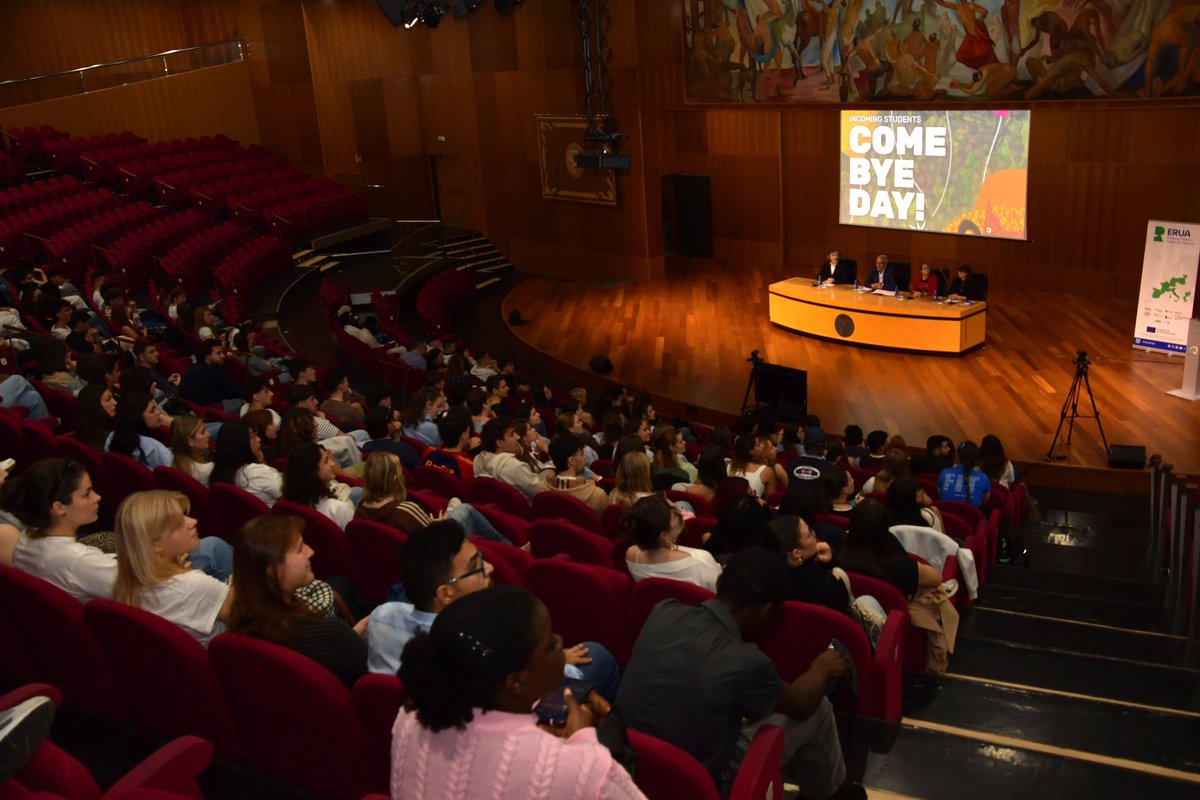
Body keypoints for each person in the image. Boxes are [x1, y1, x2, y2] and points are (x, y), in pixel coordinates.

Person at [616, 547, 854, 798]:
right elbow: (802, 704)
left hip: (632, 771)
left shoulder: (662, 610)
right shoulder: (747, 661)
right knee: (819, 708)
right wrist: (821, 667)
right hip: (704, 788)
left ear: (719, 582)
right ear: (766, 610)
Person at [391, 585, 644, 799]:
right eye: (549, 642)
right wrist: (584, 741)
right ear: (515, 683)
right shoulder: (581, 766)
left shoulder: (410, 716)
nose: (559, 641)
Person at [228, 514, 368, 687]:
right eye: (300, 548)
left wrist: (349, 639)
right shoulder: (329, 633)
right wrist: (347, 640)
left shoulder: (238, 624)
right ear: (274, 570)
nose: (311, 551)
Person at [839, 500, 957, 673]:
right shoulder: (900, 568)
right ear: (884, 528)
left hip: (850, 639)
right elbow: (936, 578)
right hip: (898, 636)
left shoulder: (838, 560)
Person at [112, 490, 232, 646]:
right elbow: (254, 610)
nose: (193, 521)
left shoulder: (126, 580)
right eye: (179, 524)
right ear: (155, 544)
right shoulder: (192, 584)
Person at [354, 452, 511, 543]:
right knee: (465, 509)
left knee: (455, 504)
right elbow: (436, 540)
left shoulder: (361, 507)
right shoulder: (405, 510)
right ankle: (511, 549)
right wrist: (439, 525)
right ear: (395, 478)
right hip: (437, 556)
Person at [623, 494, 721, 592]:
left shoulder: (631, 554)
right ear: (663, 535)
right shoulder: (700, 560)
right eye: (675, 512)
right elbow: (719, 594)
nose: (681, 510)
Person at [282, 444, 356, 529]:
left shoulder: (292, 504)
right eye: (326, 461)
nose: (332, 464)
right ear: (312, 471)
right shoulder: (338, 509)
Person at [473, 416, 546, 501]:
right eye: (512, 434)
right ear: (499, 443)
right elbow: (542, 492)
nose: (518, 437)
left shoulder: (478, 460)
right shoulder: (516, 466)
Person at [210, 421, 283, 506]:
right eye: (252, 437)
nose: (259, 439)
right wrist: (261, 462)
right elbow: (291, 496)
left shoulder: (220, 472)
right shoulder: (258, 472)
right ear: (240, 444)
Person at [544, 433, 610, 516]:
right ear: (572, 461)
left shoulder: (544, 489)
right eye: (582, 454)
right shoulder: (597, 495)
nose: (585, 457)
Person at [104, 392, 172, 470]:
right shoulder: (152, 447)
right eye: (152, 411)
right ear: (137, 417)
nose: (158, 413)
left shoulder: (111, 437)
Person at [361, 405, 420, 471]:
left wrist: (395, 437)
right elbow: (419, 472)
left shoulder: (366, 447)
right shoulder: (405, 449)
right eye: (393, 420)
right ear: (389, 425)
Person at [937, 440, 991, 510]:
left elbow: (941, 495)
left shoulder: (944, 473)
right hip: (972, 519)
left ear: (957, 456)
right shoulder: (984, 478)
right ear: (977, 458)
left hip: (945, 518)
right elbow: (983, 503)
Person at [786, 426, 831, 498]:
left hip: (791, 508)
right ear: (825, 446)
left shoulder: (791, 465)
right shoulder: (830, 470)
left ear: (804, 443)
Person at [727, 434, 776, 499]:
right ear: (750, 452)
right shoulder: (767, 471)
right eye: (758, 445)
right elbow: (772, 503)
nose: (762, 446)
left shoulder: (728, 465)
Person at [169, 414, 214, 485]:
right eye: (202, 432)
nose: (208, 434)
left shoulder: (175, 462)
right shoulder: (206, 469)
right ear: (190, 441)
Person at [75, 384, 117, 451]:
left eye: (112, 398)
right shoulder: (108, 443)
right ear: (95, 406)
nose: (115, 402)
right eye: (108, 399)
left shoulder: (85, 429)